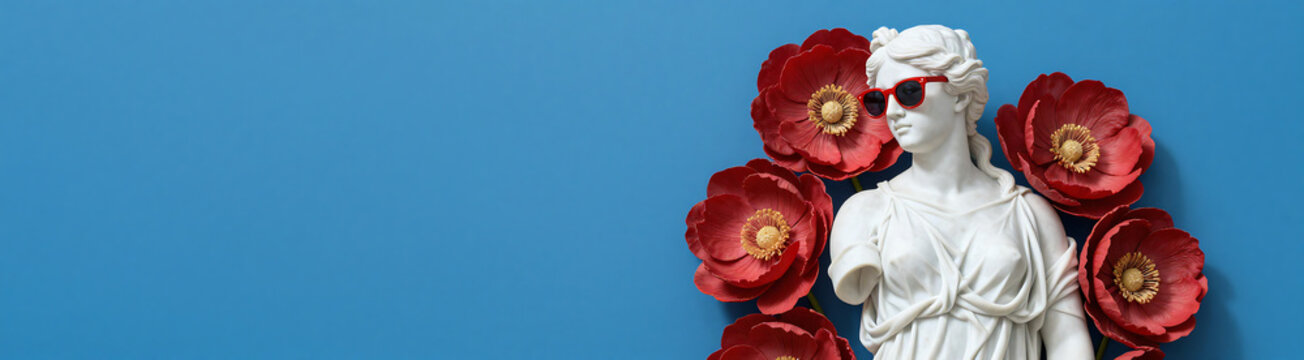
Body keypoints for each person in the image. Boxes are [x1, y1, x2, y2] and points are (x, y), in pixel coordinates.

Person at [828, 25, 1093, 359]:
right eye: (881, 100)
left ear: (962, 94)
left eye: (909, 91)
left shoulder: (1029, 215)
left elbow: (1067, 341)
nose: (894, 112)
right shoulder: (866, 212)